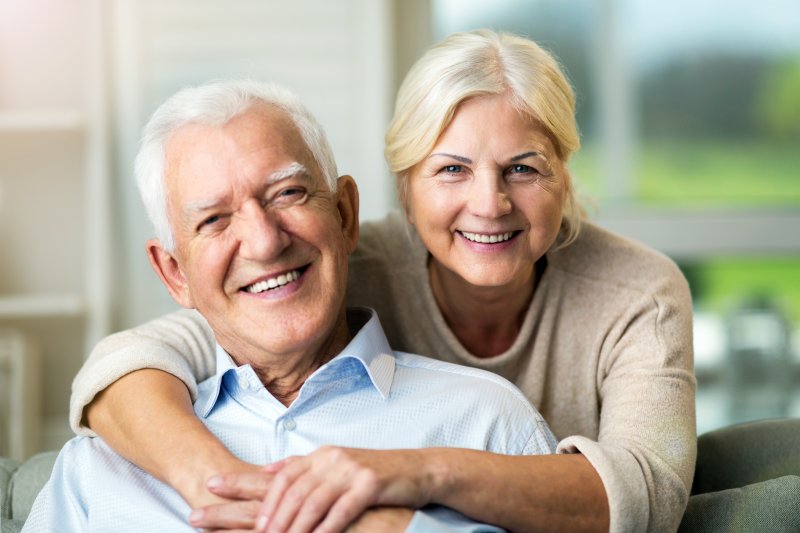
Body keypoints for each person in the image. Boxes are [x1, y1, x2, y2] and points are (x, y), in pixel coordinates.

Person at [70, 29, 696, 532]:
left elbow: (646, 494)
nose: (490, 203)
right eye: (451, 169)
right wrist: (228, 488)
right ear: (404, 188)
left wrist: (410, 476)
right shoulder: (330, 264)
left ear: (563, 170)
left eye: (524, 168)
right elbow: (141, 357)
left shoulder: (635, 294)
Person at [24, 79, 557, 532]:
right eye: (213, 220)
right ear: (173, 273)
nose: (263, 242)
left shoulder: (487, 423)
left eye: (287, 194)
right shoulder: (103, 468)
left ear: (346, 215)